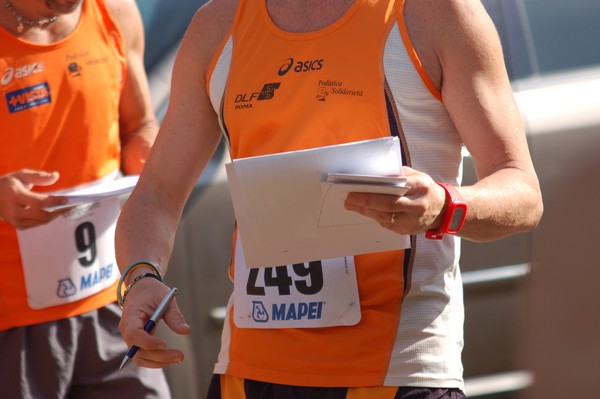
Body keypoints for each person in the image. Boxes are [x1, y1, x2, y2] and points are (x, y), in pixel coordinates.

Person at [115, 0, 544, 398]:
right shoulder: (218, 24)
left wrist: (444, 206)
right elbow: (156, 193)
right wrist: (140, 277)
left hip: (396, 373)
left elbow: (522, 192)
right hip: (247, 373)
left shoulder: (435, 14)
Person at [0, 0, 172, 397]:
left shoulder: (114, 11)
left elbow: (139, 124)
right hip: (13, 321)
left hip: (111, 300)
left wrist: (151, 159)